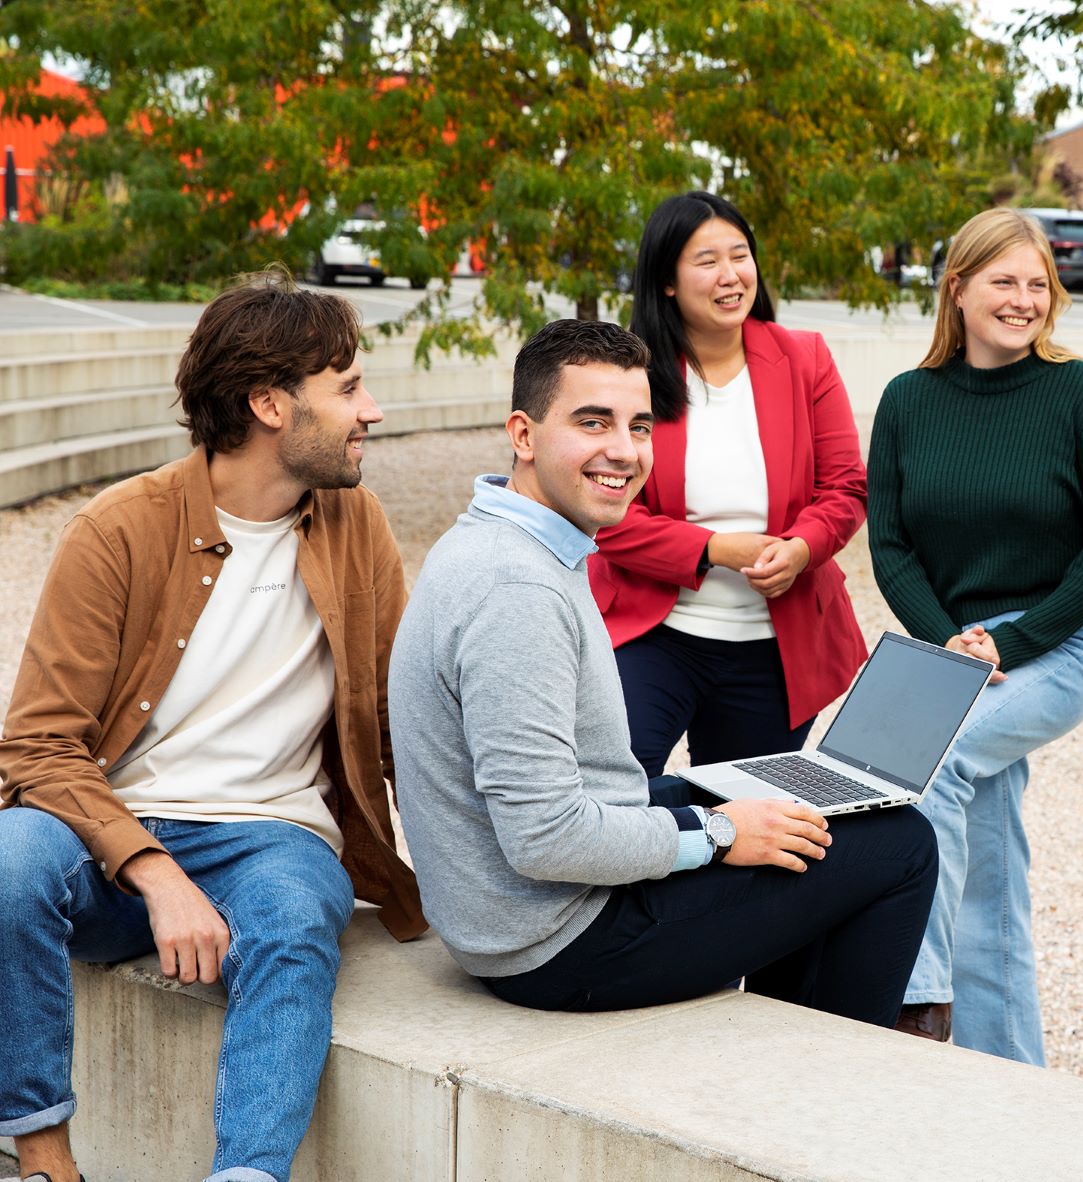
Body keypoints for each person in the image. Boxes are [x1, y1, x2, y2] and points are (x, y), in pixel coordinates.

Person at [389, 318, 936, 1025]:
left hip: (532, 905)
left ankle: (787, 1033)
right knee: (901, 845)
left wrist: (707, 804)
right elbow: (545, 839)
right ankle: (828, 1082)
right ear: (522, 435)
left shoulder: (505, 542)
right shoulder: (514, 591)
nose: (622, 451)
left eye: (639, 426)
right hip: (557, 941)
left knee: (802, 813)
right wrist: (718, 832)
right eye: (593, 422)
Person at [0, 270, 423, 1182]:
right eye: (347, 386)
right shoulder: (119, 530)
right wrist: (152, 871)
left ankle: (246, 1175)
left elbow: (397, 721)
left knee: (295, 921)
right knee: (7, 865)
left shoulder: (359, 524)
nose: (372, 411)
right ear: (270, 403)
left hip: (273, 833)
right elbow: (36, 743)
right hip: (113, 834)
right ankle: (43, 1161)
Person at [867, 207, 1083, 1062]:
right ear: (957, 289)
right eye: (1004, 281)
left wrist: (1008, 647)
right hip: (946, 645)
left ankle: (915, 1000)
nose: (1023, 300)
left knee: (929, 762)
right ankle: (1009, 1074)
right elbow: (889, 543)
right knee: (987, 871)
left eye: (1037, 284)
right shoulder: (908, 401)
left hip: (1053, 645)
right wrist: (949, 640)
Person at [589, 191, 868, 777]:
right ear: (667, 280)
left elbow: (844, 488)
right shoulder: (628, 373)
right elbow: (604, 514)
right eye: (706, 260)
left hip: (777, 644)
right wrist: (715, 549)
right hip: (654, 632)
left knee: (744, 815)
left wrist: (801, 549)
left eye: (739, 255)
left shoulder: (805, 358)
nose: (730, 275)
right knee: (619, 785)